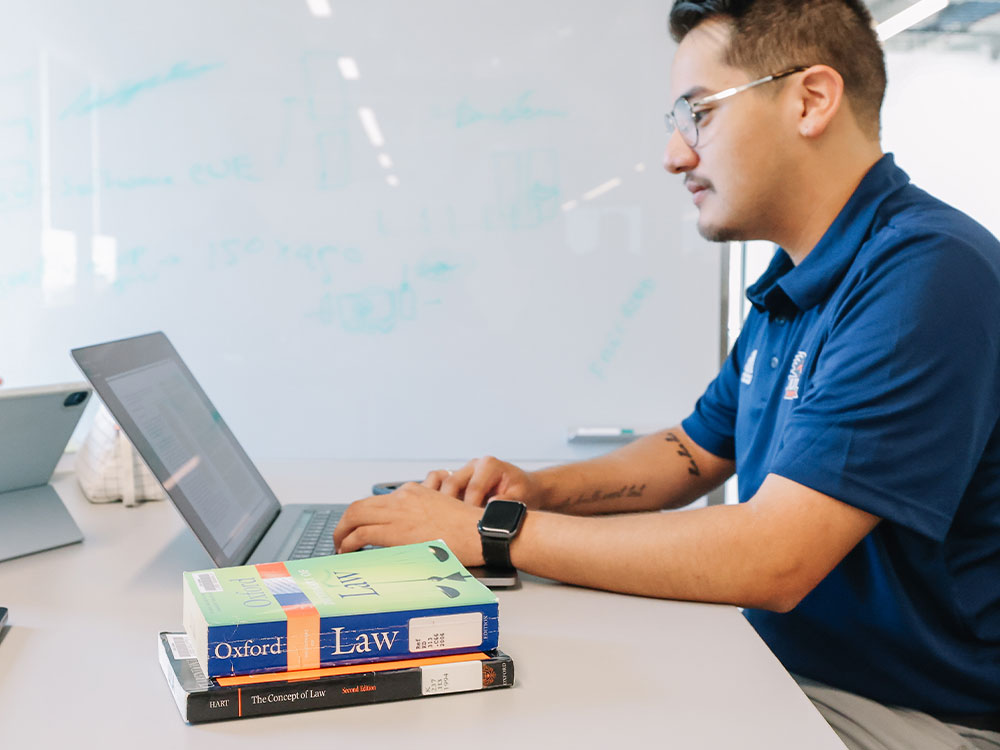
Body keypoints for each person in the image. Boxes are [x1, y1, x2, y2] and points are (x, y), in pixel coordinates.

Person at [334, 1, 1000, 746]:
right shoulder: (800, 280)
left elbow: (774, 556)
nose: (675, 156)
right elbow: (692, 450)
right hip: (784, 663)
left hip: (913, 714)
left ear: (811, 99)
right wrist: (539, 490)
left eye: (699, 114)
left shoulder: (927, 275)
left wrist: (492, 531)